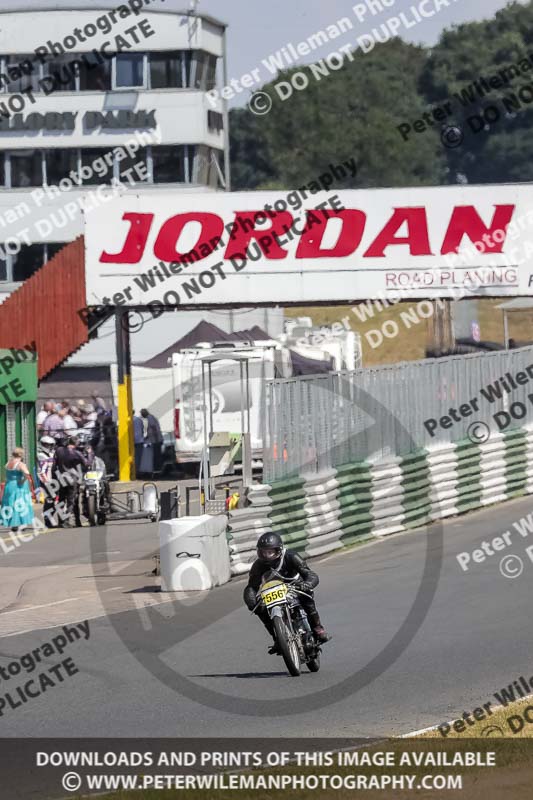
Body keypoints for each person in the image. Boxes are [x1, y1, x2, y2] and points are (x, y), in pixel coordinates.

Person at [243, 531, 331, 655]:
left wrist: (307, 584)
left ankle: (317, 627)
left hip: (296, 586)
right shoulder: (258, 565)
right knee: (260, 609)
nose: (267, 555)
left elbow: (309, 574)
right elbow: (251, 586)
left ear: (278, 550)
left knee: (307, 600)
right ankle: (277, 638)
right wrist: (251, 600)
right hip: (274, 591)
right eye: (264, 552)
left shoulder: (291, 556)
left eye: (270, 552)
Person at [53, 437, 88, 528]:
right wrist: (89, 453)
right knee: (71, 501)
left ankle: (61, 520)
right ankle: (66, 520)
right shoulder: (77, 453)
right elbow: (87, 464)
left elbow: (54, 465)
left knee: (61, 500)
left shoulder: (59, 450)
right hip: (72, 479)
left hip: (61, 478)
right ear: (76, 443)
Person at [0, 448, 34, 530]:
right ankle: (21, 523)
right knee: (20, 503)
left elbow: (6, 473)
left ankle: (13, 524)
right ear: (21, 455)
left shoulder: (8, 463)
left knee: (10, 503)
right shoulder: (20, 464)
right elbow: (27, 473)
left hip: (9, 485)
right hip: (18, 486)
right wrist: (23, 480)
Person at [37, 436, 57, 528]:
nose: (50, 447)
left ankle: (49, 519)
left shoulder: (51, 454)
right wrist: (46, 482)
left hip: (53, 481)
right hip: (46, 481)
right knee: (49, 501)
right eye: (48, 445)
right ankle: (47, 521)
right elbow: (41, 471)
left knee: (53, 501)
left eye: (51, 445)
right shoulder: (41, 455)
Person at [140, 408, 163, 474]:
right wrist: (146, 437)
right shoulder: (150, 417)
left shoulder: (150, 418)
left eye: (142, 414)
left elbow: (153, 428)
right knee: (157, 454)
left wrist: (155, 439)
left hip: (156, 440)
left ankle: (158, 468)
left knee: (157, 455)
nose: (142, 415)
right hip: (156, 439)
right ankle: (158, 468)